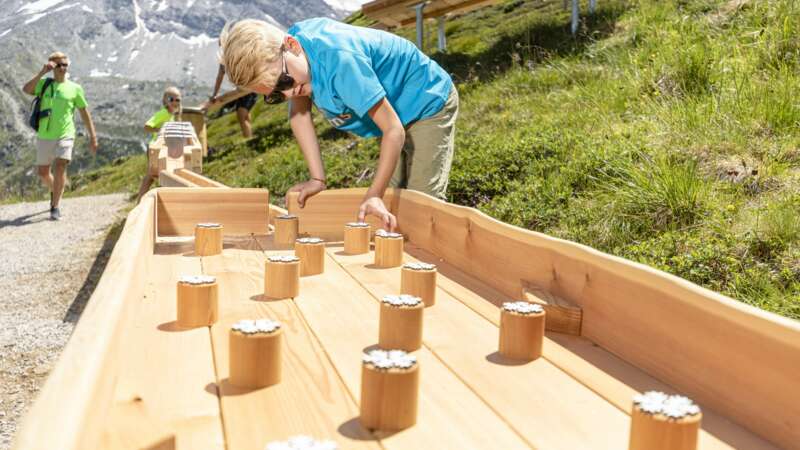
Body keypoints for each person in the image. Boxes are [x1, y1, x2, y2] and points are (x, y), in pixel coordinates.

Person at [219, 18, 459, 231]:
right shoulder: (292, 60)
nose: (290, 93)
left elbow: (393, 130)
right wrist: (317, 179)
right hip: (392, 114)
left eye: (285, 81)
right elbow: (299, 116)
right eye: (274, 95)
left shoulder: (341, 61)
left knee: (421, 203)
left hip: (426, 101)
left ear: (292, 45)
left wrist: (373, 194)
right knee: (390, 201)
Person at [22, 51, 98, 220]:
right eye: (59, 65)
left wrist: (93, 137)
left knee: (61, 165)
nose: (63, 68)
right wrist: (42, 72)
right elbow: (26, 89)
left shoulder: (75, 88)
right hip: (44, 134)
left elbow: (85, 113)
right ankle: (56, 189)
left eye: (65, 65)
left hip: (66, 134)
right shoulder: (44, 84)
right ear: (52, 66)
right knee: (43, 172)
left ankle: (55, 206)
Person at [135, 86, 182, 202]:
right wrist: (161, 130)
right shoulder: (163, 113)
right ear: (165, 101)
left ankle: (160, 200)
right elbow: (147, 126)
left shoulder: (173, 115)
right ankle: (140, 202)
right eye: (171, 99)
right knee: (151, 176)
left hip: (165, 149)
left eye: (178, 100)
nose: (175, 102)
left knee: (162, 175)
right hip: (156, 149)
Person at [208, 64, 258, 138]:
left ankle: (248, 138)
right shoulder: (223, 62)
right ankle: (249, 136)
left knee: (241, 116)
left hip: (248, 89)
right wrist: (215, 94)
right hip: (242, 89)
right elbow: (219, 77)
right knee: (244, 115)